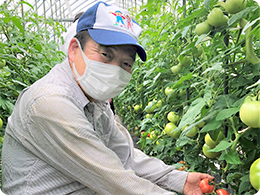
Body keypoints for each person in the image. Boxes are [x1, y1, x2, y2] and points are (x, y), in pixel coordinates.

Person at [1, 1, 214, 195]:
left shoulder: (95, 101)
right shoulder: (49, 102)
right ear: (75, 49)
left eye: (126, 64)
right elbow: (114, 179)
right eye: (106, 55)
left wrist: (179, 180)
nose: (115, 69)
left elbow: (125, 156)